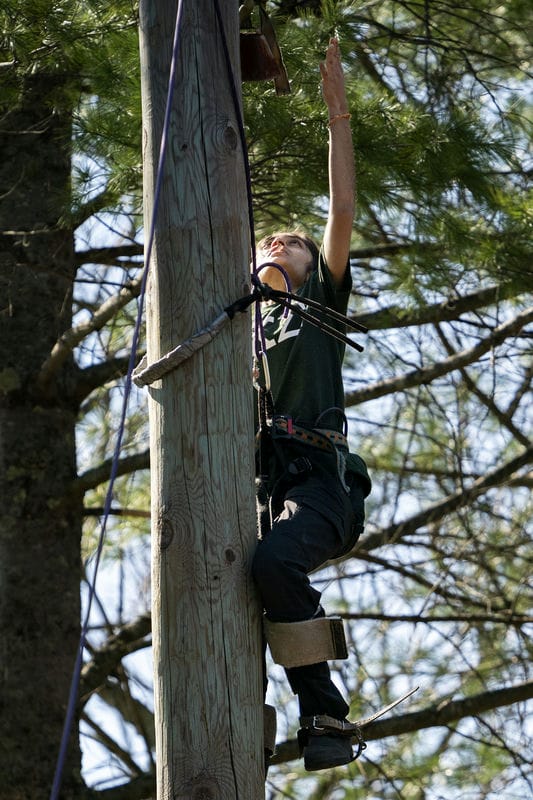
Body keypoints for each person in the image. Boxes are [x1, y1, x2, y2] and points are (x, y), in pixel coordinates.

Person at [251, 39, 372, 771]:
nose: (285, 241)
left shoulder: (318, 311)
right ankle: (278, 716)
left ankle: (324, 711)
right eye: (274, 239)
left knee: (273, 564)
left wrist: (337, 118)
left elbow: (343, 207)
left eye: (294, 243)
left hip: (320, 485)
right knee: (251, 577)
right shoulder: (238, 328)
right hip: (267, 487)